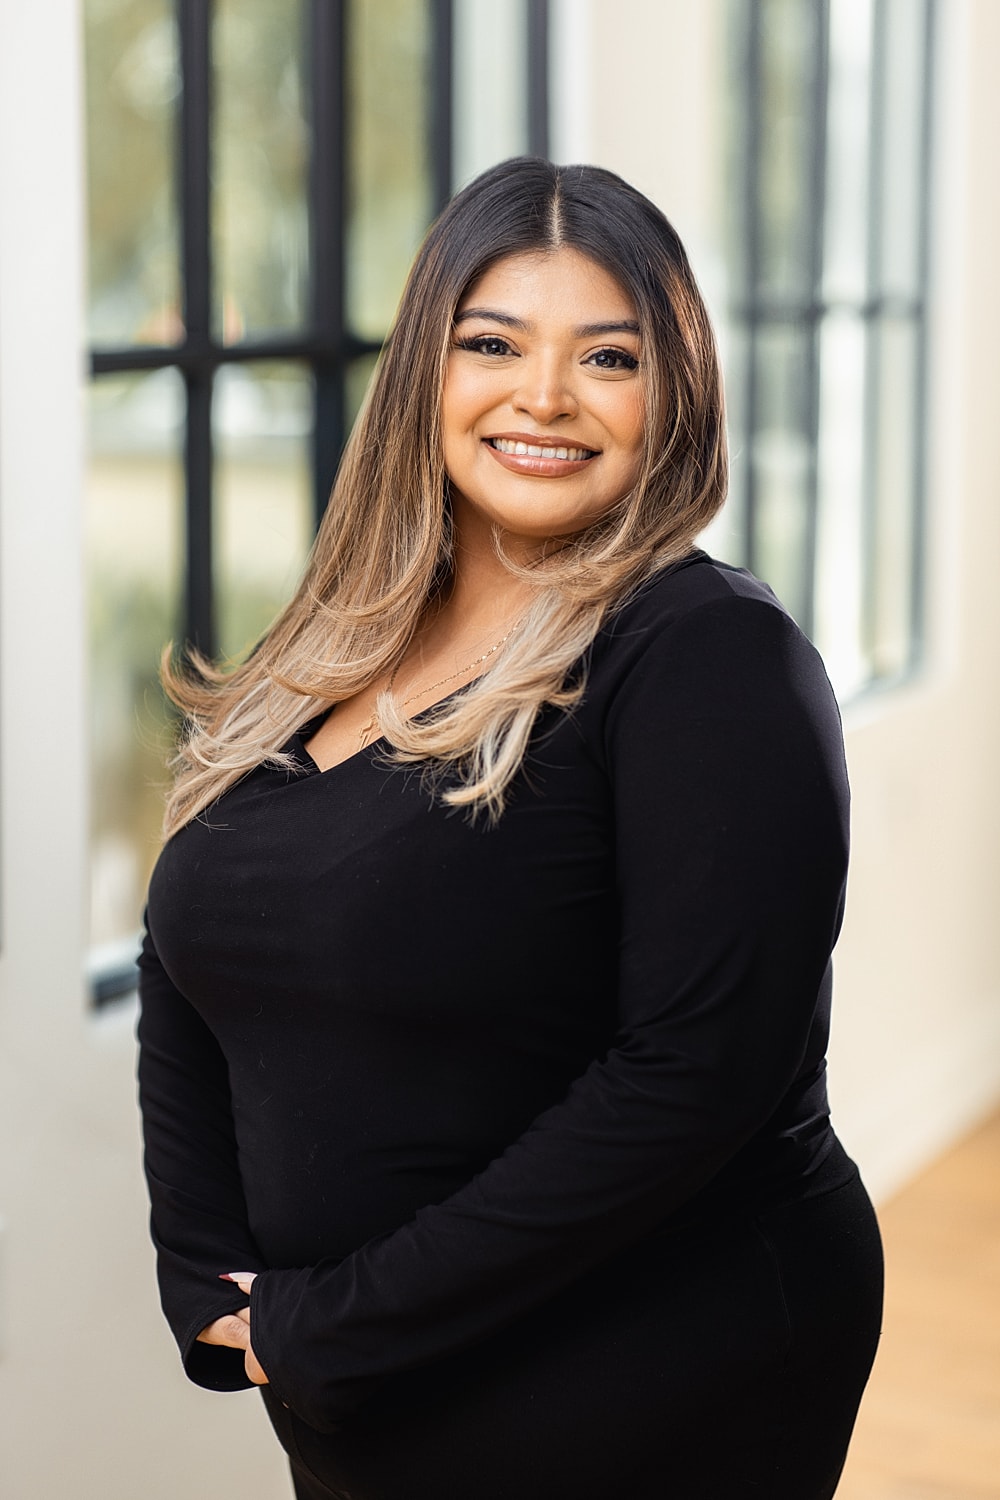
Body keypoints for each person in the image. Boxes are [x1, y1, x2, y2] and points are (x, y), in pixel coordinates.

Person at [137, 156, 883, 1500]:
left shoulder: (711, 657)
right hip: (363, 1376)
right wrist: (202, 1271)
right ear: (424, 370)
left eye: (609, 356)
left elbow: (693, 1078)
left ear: (675, 392)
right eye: (492, 344)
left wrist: (336, 1319)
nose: (544, 396)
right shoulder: (343, 638)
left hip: (646, 1367)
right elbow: (186, 942)